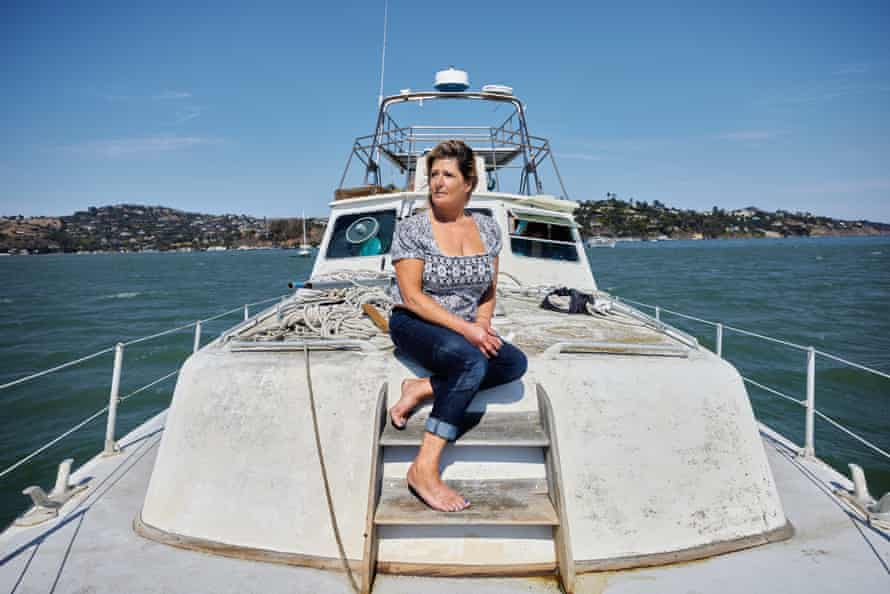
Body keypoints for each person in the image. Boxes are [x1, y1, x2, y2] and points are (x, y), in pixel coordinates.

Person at [387, 140, 528, 512]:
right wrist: (469, 333)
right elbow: (413, 296)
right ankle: (424, 468)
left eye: (447, 174)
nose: (437, 182)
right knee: (471, 362)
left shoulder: (486, 227)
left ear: (469, 182)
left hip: (464, 329)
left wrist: (482, 324)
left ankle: (422, 387)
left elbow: (489, 289)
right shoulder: (413, 229)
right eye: (433, 174)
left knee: (514, 363)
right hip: (415, 322)